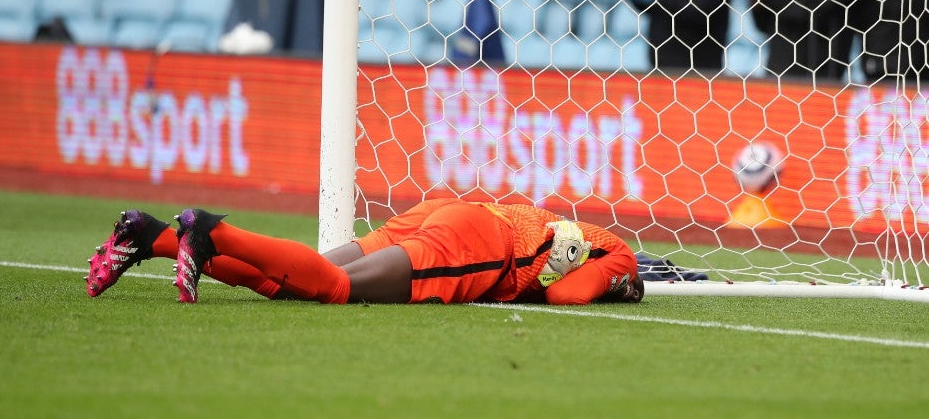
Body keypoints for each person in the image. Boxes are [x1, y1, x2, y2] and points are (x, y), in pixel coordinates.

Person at [85, 197, 645, 305]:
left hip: (451, 210)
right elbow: (571, 293)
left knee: (300, 279)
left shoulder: (570, 225)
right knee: (336, 290)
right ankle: (211, 230)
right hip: (477, 242)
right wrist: (622, 286)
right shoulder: (620, 255)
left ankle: (152, 235)